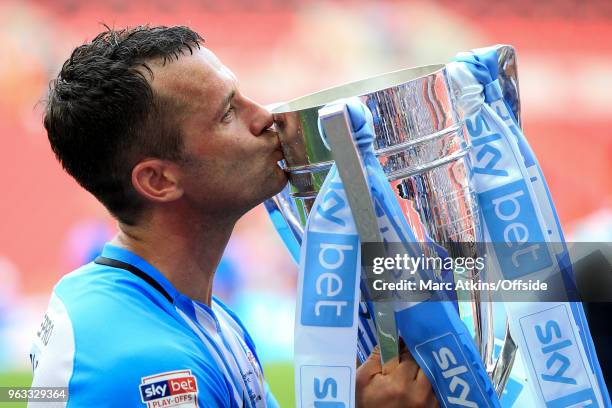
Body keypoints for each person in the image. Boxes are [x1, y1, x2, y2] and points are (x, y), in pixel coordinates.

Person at [31, 25, 437, 408]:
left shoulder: (188, 309)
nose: (264, 116)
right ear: (158, 180)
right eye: (228, 113)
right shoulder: (149, 368)